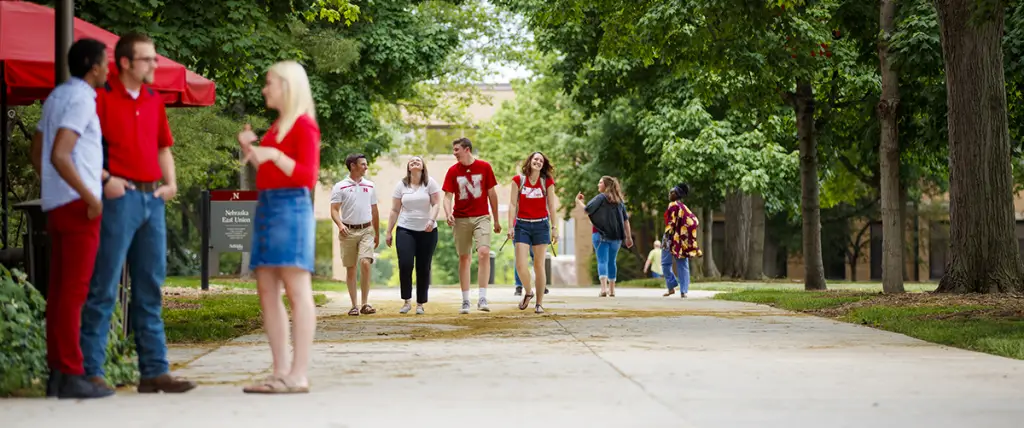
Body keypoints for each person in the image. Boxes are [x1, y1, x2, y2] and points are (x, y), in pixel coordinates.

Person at [79, 32, 195, 394]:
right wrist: (106, 179)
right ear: (125, 62)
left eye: (155, 59)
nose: (154, 65)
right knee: (104, 285)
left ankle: (154, 372)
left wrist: (171, 184)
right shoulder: (99, 97)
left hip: (152, 201)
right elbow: (79, 149)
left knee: (150, 287)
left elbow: (164, 147)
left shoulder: (153, 99)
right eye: (148, 59)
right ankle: (90, 371)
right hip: (118, 198)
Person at [28, 38, 114, 399]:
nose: (109, 67)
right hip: (79, 205)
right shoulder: (81, 98)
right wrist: (89, 195)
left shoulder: (56, 96)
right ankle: (71, 372)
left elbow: (38, 151)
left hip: (58, 202)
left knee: (61, 292)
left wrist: (54, 186)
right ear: (93, 66)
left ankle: (59, 374)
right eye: (106, 61)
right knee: (73, 292)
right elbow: (61, 153)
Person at [236, 60, 321, 394]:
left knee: (298, 291)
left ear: (287, 85)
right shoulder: (277, 127)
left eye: (269, 82)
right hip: (269, 206)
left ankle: (298, 374)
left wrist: (272, 154)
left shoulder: (304, 126)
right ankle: (280, 372)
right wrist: (250, 148)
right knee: (267, 291)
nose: (264, 88)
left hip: (291, 207)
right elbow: (267, 163)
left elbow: (306, 176)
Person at [442, 137, 501, 314]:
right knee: (464, 257)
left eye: (456, 149)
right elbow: (447, 196)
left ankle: (482, 297)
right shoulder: (453, 171)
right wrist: (447, 213)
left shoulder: (484, 167)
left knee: (483, 252)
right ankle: (466, 300)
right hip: (460, 219)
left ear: (467, 149)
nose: (454, 153)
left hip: (481, 217)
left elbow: (492, 194)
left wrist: (496, 220)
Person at [385, 156, 441, 315]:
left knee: (423, 267)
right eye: (411, 161)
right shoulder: (401, 185)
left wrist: (432, 220)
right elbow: (395, 210)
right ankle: (406, 301)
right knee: (405, 264)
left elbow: (436, 203)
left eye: (418, 160)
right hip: (405, 229)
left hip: (427, 230)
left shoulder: (429, 182)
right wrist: (389, 231)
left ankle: (420, 303)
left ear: (423, 166)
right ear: (408, 167)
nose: (415, 162)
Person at [507, 151, 558, 314]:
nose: (538, 162)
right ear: (529, 161)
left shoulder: (546, 182)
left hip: (541, 225)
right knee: (521, 265)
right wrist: (510, 226)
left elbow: (551, 205)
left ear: (543, 165)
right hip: (522, 225)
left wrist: (555, 228)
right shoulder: (518, 180)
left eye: (541, 161)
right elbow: (512, 205)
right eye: (535, 159)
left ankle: (539, 303)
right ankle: (528, 292)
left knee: (538, 265)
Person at [330, 153, 380, 316]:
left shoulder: (370, 186)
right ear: (353, 166)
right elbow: (334, 210)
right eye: (363, 164)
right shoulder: (340, 186)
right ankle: (354, 305)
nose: (366, 167)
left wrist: (377, 233)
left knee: (365, 263)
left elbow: (374, 210)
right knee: (351, 269)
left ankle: (365, 303)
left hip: (366, 230)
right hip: (348, 231)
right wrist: (340, 225)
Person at [576, 176, 633, 297]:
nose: (598, 184)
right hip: (616, 237)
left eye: (600, 182)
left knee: (602, 261)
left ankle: (603, 289)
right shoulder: (619, 201)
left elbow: (587, 210)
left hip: (600, 234)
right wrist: (628, 237)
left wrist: (578, 201)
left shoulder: (600, 198)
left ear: (606, 186)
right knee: (612, 262)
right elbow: (626, 221)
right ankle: (612, 290)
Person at [663, 183, 702, 298]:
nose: (670, 194)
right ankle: (683, 291)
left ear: (677, 195)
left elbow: (671, 223)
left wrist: (673, 234)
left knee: (665, 263)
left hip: (670, 236)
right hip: (680, 239)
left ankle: (672, 286)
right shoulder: (684, 207)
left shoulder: (673, 205)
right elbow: (694, 221)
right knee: (682, 263)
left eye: (672, 192)